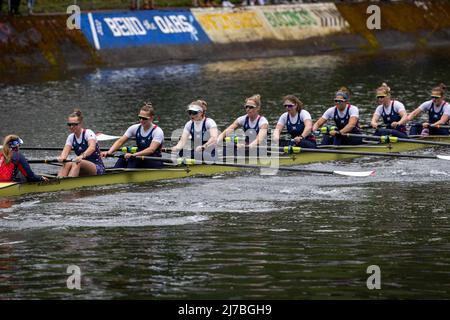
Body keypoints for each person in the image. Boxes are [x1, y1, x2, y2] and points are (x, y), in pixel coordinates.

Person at [102, 102, 164, 168]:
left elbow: (151, 150)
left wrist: (134, 155)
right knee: (123, 157)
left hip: (153, 160)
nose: (141, 120)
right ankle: (115, 174)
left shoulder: (157, 131)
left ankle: (128, 176)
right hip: (139, 157)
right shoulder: (134, 128)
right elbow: (120, 142)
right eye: (140, 117)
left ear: (151, 118)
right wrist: (109, 152)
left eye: (144, 118)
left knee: (132, 159)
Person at [57, 109, 105, 177]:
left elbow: (92, 148)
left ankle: (69, 183)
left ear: (81, 123)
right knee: (66, 163)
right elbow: (64, 153)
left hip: (97, 167)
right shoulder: (71, 137)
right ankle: (58, 182)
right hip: (81, 165)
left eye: (74, 124)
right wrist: (61, 158)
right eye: (69, 124)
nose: (71, 127)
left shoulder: (88, 133)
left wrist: (81, 156)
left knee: (77, 162)